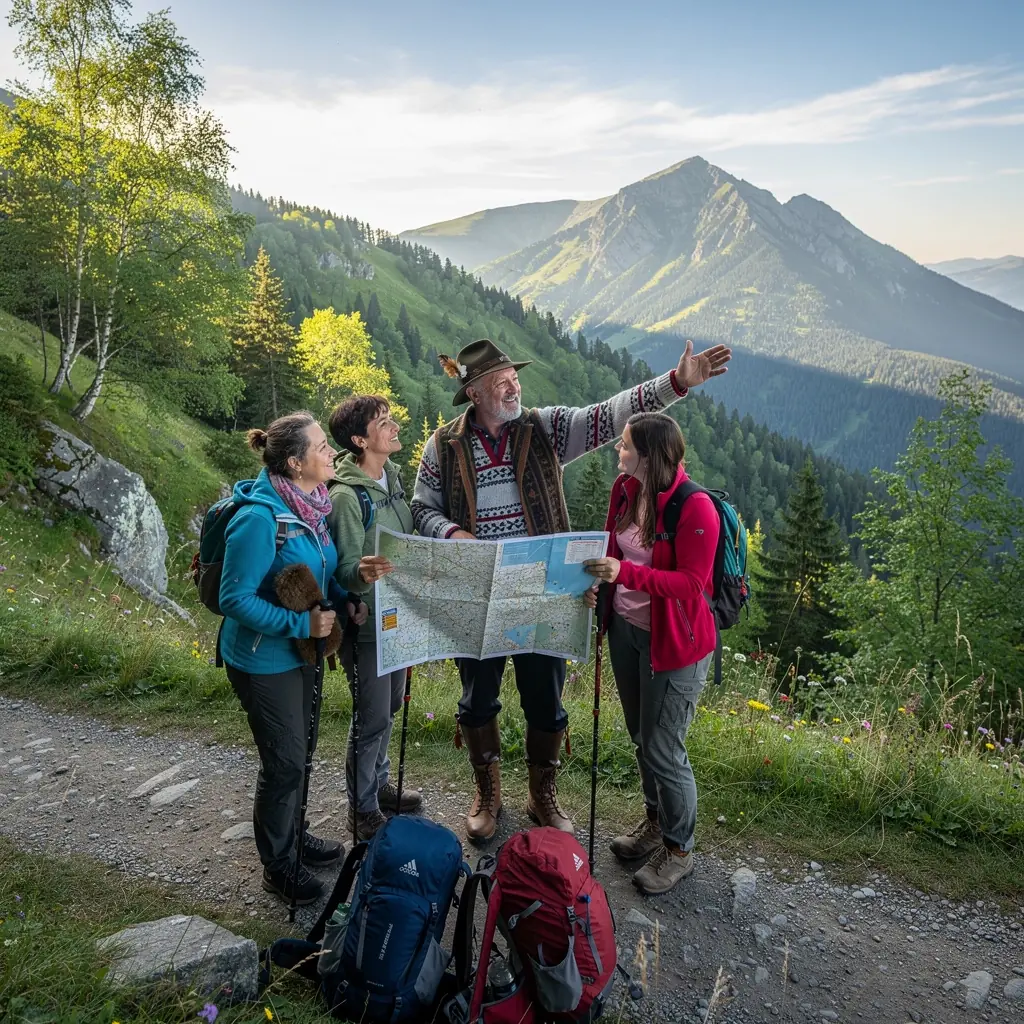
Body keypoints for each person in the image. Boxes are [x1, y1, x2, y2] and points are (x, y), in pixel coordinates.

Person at [412, 337, 730, 841]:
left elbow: (610, 415)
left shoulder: (545, 429)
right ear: (473, 392)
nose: (514, 386)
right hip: (480, 592)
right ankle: (487, 793)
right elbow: (421, 509)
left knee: (546, 698)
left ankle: (543, 794)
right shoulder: (442, 446)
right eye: (501, 382)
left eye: (515, 377)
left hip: (543, 589)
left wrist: (675, 384)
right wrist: (454, 534)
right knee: (477, 699)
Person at [218, 410, 367, 906]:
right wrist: (303, 626)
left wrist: (346, 597)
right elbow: (233, 599)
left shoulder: (310, 506)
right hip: (263, 661)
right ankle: (278, 866)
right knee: (284, 761)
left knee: (299, 753)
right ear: (296, 461)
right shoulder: (259, 518)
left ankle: (293, 836)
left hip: (299, 655)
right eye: (323, 447)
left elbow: (318, 573)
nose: (332, 454)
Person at [583, 412, 719, 896]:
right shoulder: (624, 490)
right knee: (642, 736)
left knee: (664, 747)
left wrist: (624, 574)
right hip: (627, 631)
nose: (618, 452)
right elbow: (609, 548)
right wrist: (597, 585)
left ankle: (679, 850)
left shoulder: (695, 507)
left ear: (649, 456)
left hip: (676, 645)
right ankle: (655, 823)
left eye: (625, 446)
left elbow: (690, 584)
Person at [326, 395, 424, 841]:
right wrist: (361, 575)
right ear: (360, 440)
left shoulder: (394, 483)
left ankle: (380, 786)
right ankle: (362, 808)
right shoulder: (347, 498)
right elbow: (343, 570)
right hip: (366, 625)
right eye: (384, 422)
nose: (395, 426)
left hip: (399, 619)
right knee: (372, 718)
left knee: (389, 707)